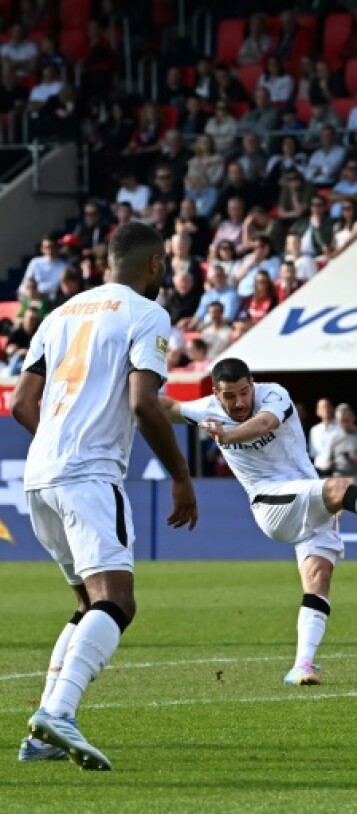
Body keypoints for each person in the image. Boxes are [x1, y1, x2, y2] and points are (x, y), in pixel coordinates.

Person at [12, 222, 199, 770]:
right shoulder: (146, 314)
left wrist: (59, 442)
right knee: (117, 601)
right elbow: (144, 403)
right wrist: (181, 476)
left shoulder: (59, 314)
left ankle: (44, 733)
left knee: (86, 603)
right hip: (89, 475)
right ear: (156, 266)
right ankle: (59, 714)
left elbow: (23, 402)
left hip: (41, 475)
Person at [159, 360, 357, 686]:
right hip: (272, 505)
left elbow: (263, 424)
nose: (239, 402)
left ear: (252, 384)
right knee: (338, 488)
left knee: (317, 579)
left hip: (306, 497)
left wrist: (227, 434)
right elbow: (167, 406)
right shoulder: (205, 409)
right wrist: (131, 379)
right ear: (216, 393)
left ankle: (302, 665)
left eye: (243, 392)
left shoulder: (274, 396)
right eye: (230, 396)